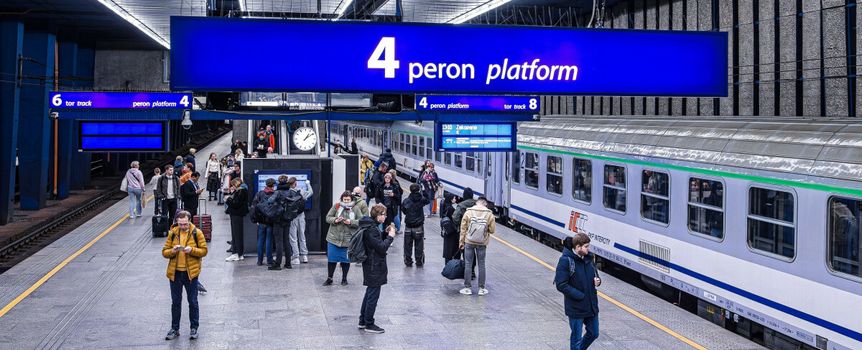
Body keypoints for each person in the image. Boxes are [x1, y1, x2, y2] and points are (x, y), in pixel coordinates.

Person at [162, 211, 208, 341]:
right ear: (177, 222)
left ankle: (194, 328)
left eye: (185, 224)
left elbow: (204, 251)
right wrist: (172, 251)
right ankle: (174, 328)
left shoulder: (196, 232)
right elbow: (164, 252)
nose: (183, 226)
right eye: (181, 224)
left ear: (189, 221)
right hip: (175, 274)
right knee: (175, 302)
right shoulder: (172, 233)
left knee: (192, 301)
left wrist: (191, 250)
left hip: (190, 274)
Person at [555, 233, 601, 350]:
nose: (588, 249)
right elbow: (561, 284)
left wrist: (598, 281)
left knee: (594, 333)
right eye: (586, 246)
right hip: (576, 307)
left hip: (591, 305)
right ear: (578, 247)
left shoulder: (588, 259)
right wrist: (579, 295)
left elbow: (595, 275)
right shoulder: (565, 261)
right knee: (576, 338)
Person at [358, 204, 396, 334]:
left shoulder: (370, 226)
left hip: (371, 263)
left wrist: (384, 234)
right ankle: (369, 323)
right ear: (378, 215)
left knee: (369, 292)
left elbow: (376, 242)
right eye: (383, 214)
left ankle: (363, 321)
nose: (385, 217)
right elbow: (381, 247)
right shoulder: (372, 229)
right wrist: (390, 236)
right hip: (374, 265)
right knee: (373, 295)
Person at [459, 196, 495, 296]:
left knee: (468, 264)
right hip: (482, 242)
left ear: (477, 202)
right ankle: (481, 289)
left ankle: (467, 288)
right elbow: (492, 230)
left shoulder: (468, 212)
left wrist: (461, 242)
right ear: (484, 203)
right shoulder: (489, 214)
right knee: (481, 264)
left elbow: (463, 229)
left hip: (469, 241)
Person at [324, 191, 359, 286]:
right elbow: (328, 218)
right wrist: (335, 220)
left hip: (348, 239)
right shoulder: (336, 206)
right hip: (333, 238)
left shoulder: (355, 208)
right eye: (345, 200)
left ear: (351, 200)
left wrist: (351, 222)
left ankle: (344, 279)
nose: (346, 202)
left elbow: (361, 221)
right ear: (342, 199)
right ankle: (329, 278)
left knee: (345, 260)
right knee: (332, 259)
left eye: (348, 200)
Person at [401, 184, 430, 267]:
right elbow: (428, 200)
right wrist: (424, 191)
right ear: (418, 190)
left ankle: (408, 262)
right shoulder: (421, 199)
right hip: (419, 226)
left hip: (408, 226)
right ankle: (419, 262)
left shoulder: (406, 200)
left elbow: (404, 210)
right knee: (419, 246)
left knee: (407, 246)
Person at [288, 177, 314, 265]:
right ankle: (304, 256)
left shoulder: (287, 192)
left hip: (292, 217)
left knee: (293, 238)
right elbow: (311, 192)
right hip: (301, 215)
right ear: (295, 183)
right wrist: (308, 184)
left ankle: (296, 257)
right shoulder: (301, 191)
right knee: (302, 236)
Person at [250, 178, 276, 267]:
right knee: (269, 240)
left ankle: (259, 261)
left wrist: (255, 219)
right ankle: (269, 260)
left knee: (260, 240)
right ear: (273, 185)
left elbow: (254, 206)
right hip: (270, 221)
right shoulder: (275, 194)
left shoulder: (260, 193)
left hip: (261, 222)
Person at [271, 176, 294, 270]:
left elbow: (270, 201)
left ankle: (278, 264)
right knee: (286, 241)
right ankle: (288, 263)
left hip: (278, 219)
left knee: (279, 242)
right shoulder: (290, 191)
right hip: (287, 218)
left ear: (279, 182)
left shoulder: (277, 192)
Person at [225, 178, 248, 262]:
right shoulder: (242, 190)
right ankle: (239, 253)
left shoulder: (240, 191)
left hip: (236, 214)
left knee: (236, 234)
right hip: (238, 214)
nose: (232, 186)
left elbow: (236, 204)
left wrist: (227, 199)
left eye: (233, 185)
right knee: (237, 234)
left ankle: (236, 254)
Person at [440, 193, 460, 262]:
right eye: (454, 198)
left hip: (446, 231)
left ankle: (447, 265)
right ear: (451, 200)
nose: (455, 199)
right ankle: (452, 267)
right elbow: (455, 220)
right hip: (452, 232)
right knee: (453, 250)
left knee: (447, 250)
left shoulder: (444, 206)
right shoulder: (451, 209)